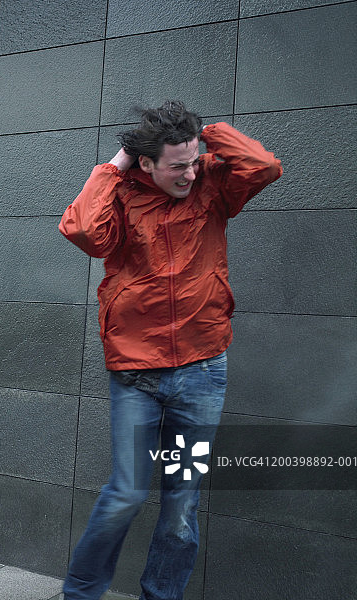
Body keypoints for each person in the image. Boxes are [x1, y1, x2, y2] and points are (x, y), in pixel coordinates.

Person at [58, 101, 282, 600]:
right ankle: (80, 594)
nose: (188, 172)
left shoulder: (213, 184)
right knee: (127, 493)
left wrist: (205, 134)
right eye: (176, 164)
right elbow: (81, 231)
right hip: (137, 372)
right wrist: (113, 165)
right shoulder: (121, 197)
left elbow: (264, 166)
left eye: (193, 159)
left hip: (202, 371)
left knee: (182, 503)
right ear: (146, 164)